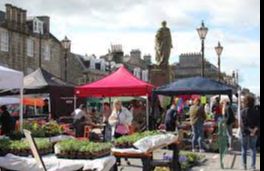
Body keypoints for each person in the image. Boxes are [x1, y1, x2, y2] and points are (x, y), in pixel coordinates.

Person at [109, 99, 133, 165]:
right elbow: (110, 120)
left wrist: (125, 121)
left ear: (120, 104)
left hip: (124, 129)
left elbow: (130, 117)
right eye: (115, 105)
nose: (116, 106)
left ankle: (126, 159)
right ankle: (118, 160)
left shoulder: (125, 110)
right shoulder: (114, 111)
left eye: (118, 104)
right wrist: (115, 122)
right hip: (117, 130)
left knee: (125, 145)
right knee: (117, 145)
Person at [240, 95, 260, 171]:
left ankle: (244, 166)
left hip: (245, 132)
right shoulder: (257, 111)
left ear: (245, 102)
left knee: (244, 149)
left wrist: (250, 129)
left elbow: (243, 124)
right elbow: (259, 122)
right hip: (254, 133)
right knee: (253, 149)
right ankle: (253, 166)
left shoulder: (242, 112)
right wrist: (254, 130)